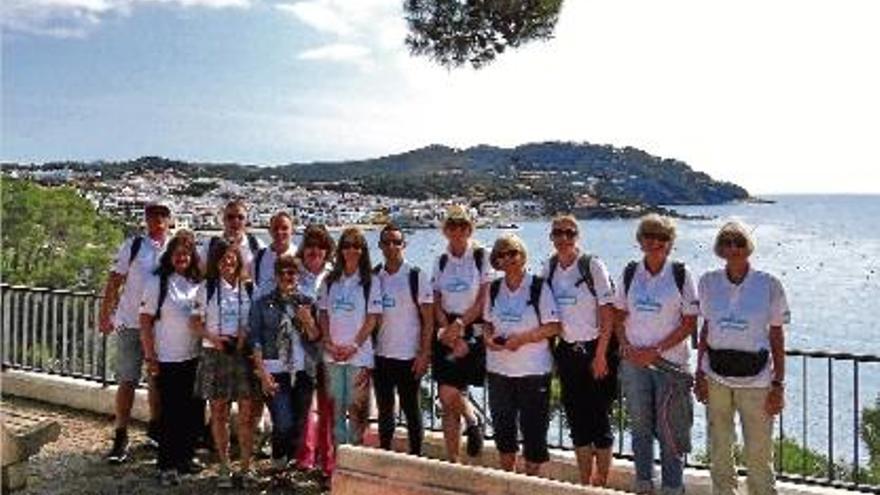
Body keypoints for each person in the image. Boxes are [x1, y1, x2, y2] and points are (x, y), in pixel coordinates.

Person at [695, 221, 789, 495]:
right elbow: (706, 329)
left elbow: (776, 335)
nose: (733, 248)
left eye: (738, 242)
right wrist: (700, 373)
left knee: (759, 454)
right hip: (716, 378)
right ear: (719, 248)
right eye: (727, 242)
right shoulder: (708, 282)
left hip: (757, 381)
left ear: (748, 246)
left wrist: (778, 384)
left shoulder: (768, 284)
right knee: (719, 450)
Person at [614, 214, 699, 495]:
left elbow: (689, 322)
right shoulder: (630, 272)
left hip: (670, 365)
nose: (655, 242)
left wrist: (655, 351)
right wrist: (625, 344)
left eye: (662, 238)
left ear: (671, 243)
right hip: (635, 363)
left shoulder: (680, 274)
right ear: (640, 241)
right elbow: (619, 314)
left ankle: (673, 488)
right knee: (639, 427)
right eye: (649, 236)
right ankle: (643, 484)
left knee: (670, 431)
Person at [541, 214, 617, 485]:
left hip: (596, 350)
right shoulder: (548, 269)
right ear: (551, 237)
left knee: (599, 420)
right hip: (567, 352)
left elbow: (608, 314)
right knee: (576, 419)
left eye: (569, 233)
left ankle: (602, 483)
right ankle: (586, 482)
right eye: (558, 233)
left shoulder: (591, 265)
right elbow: (545, 317)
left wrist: (600, 355)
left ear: (577, 237)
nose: (563, 238)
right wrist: (549, 356)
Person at [98, 201, 170, 463]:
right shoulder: (134, 246)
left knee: (156, 382)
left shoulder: (173, 248)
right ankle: (120, 434)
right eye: (153, 215)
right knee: (127, 380)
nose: (158, 219)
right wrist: (105, 315)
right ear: (146, 219)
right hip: (130, 322)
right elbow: (114, 281)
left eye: (163, 215)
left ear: (170, 219)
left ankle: (155, 430)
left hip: (159, 327)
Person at [483, 234, 560, 476]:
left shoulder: (538, 287)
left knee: (534, 433)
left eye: (513, 253)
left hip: (533, 372)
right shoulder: (494, 289)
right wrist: (488, 338)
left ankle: (530, 484)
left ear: (522, 256)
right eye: (502, 255)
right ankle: (509, 482)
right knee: (503, 432)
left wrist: (522, 339)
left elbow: (554, 326)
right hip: (499, 371)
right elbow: (486, 322)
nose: (508, 259)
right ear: (497, 261)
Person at [191, 239, 260, 488]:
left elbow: (257, 320)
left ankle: (246, 466)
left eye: (232, 257)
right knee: (218, 412)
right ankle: (223, 465)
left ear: (239, 259)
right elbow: (195, 324)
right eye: (222, 258)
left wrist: (245, 334)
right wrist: (213, 338)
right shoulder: (205, 288)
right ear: (215, 262)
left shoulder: (250, 288)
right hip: (215, 354)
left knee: (246, 414)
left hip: (242, 355)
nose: (227, 262)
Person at [139, 230, 203, 487]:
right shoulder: (158, 283)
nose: (182, 257)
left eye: (186, 253)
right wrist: (150, 355)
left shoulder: (196, 283)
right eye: (177, 253)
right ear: (170, 255)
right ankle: (166, 464)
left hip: (194, 357)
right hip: (167, 358)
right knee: (169, 413)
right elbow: (144, 321)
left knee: (192, 412)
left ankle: (185, 457)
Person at [248, 255, 321, 475]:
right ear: (276, 276)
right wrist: (261, 373)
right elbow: (256, 339)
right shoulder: (263, 304)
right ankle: (278, 460)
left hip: (303, 371)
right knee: (283, 422)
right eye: (282, 273)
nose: (287, 277)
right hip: (275, 370)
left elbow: (316, 337)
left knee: (298, 423)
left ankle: (286, 466)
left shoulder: (308, 301)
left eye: (291, 273)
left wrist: (307, 320)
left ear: (298, 276)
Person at [431, 205, 489, 462]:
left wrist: (460, 327)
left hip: (472, 328)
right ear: (446, 230)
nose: (457, 231)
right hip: (446, 329)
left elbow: (483, 299)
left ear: (469, 229)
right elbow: (435, 298)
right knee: (446, 397)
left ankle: (471, 420)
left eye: (463, 226)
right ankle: (455, 455)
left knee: (451, 392)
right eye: (452, 226)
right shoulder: (441, 260)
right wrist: (446, 329)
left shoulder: (480, 256)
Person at [318, 227, 382, 448]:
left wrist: (354, 346)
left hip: (360, 356)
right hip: (332, 355)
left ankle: (355, 457)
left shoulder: (370, 281)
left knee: (357, 410)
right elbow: (323, 313)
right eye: (346, 245)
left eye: (356, 246)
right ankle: (337, 461)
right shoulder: (330, 280)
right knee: (336, 410)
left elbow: (372, 319)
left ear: (363, 250)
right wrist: (327, 341)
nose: (351, 250)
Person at [373, 224, 433, 455]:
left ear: (404, 245)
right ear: (380, 246)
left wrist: (424, 353)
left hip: (409, 356)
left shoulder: (416, 276)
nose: (391, 247)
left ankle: (417, 458)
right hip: (382, 355)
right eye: (386, 242)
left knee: (412, 411)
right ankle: (385, 456)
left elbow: (428, 320)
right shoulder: (374, 276)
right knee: (385, 412)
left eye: (396, 242)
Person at [293, 224, 336, 475]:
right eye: (310, 245)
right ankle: (306, 454)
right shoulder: (295, 274)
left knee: (328, 404)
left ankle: (326, 458)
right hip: (301, 349)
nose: (315, 250)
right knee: (305, 403)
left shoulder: (334, 275)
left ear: (327, 249)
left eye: (320, 245)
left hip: (328, 347)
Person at [200, 199, 265, 278]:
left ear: (246, 221)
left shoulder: (257, 246)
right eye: (230, 217)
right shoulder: (210, 246)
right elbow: (200, 274)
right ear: (223, 220)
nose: (235, 221)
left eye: (240, 217)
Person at [253, 211, 297, 298]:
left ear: (292, 231)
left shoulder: (299, 255)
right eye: (275, 228)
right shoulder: (259, 257)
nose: (279, 232)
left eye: (284, 228)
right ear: (270, 231)